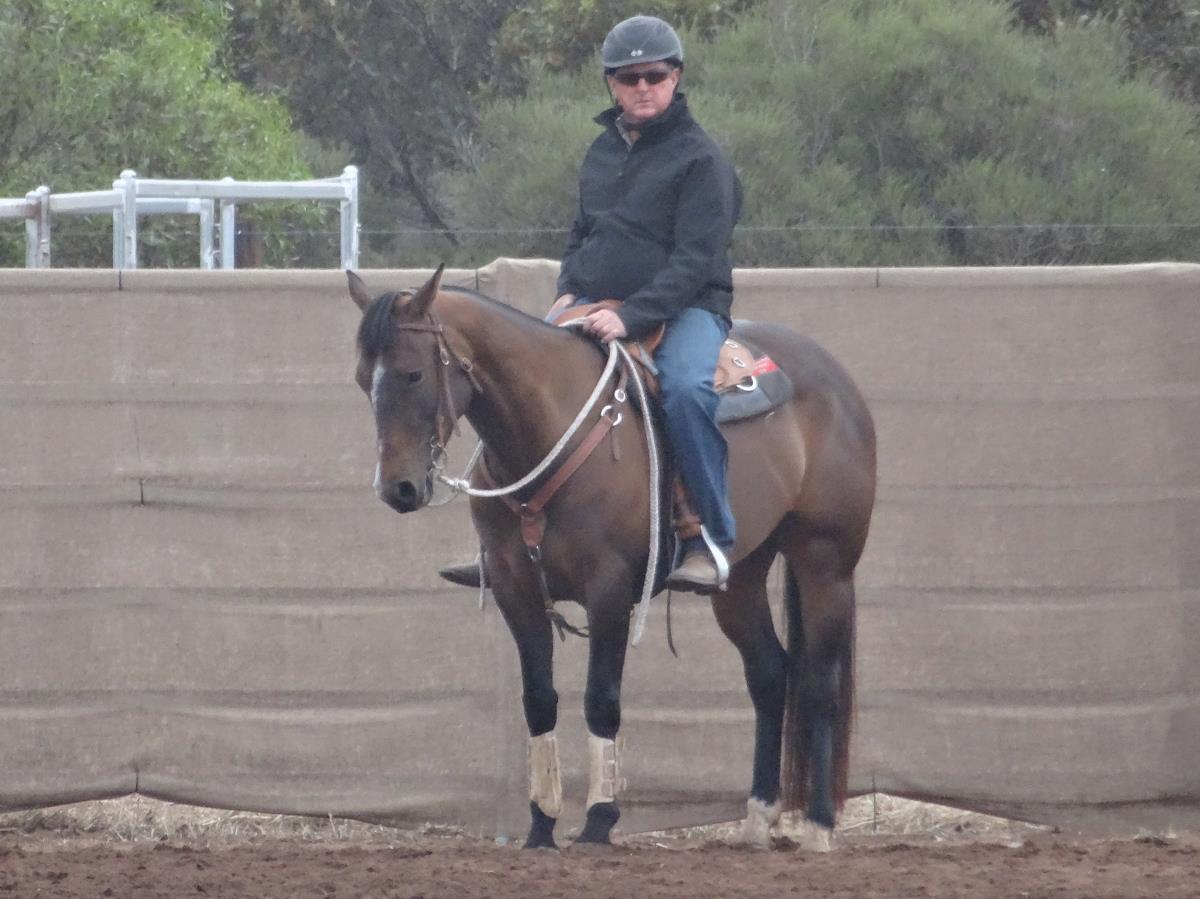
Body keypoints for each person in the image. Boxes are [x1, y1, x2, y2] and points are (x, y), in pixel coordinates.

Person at [548, 14, 742, 593]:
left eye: (654, 75)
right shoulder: (600, 153)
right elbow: (582, 232)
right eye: (628, 77)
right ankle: (507, 534)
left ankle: (707, 539)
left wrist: (629, 316)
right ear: (611, 84)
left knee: (685, 390)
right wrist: (567, 289)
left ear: (675, 77)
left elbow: (695, 261)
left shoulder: (702, 160)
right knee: (516, 373)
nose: (642, 87)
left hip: (688, 308)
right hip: (592, 301)